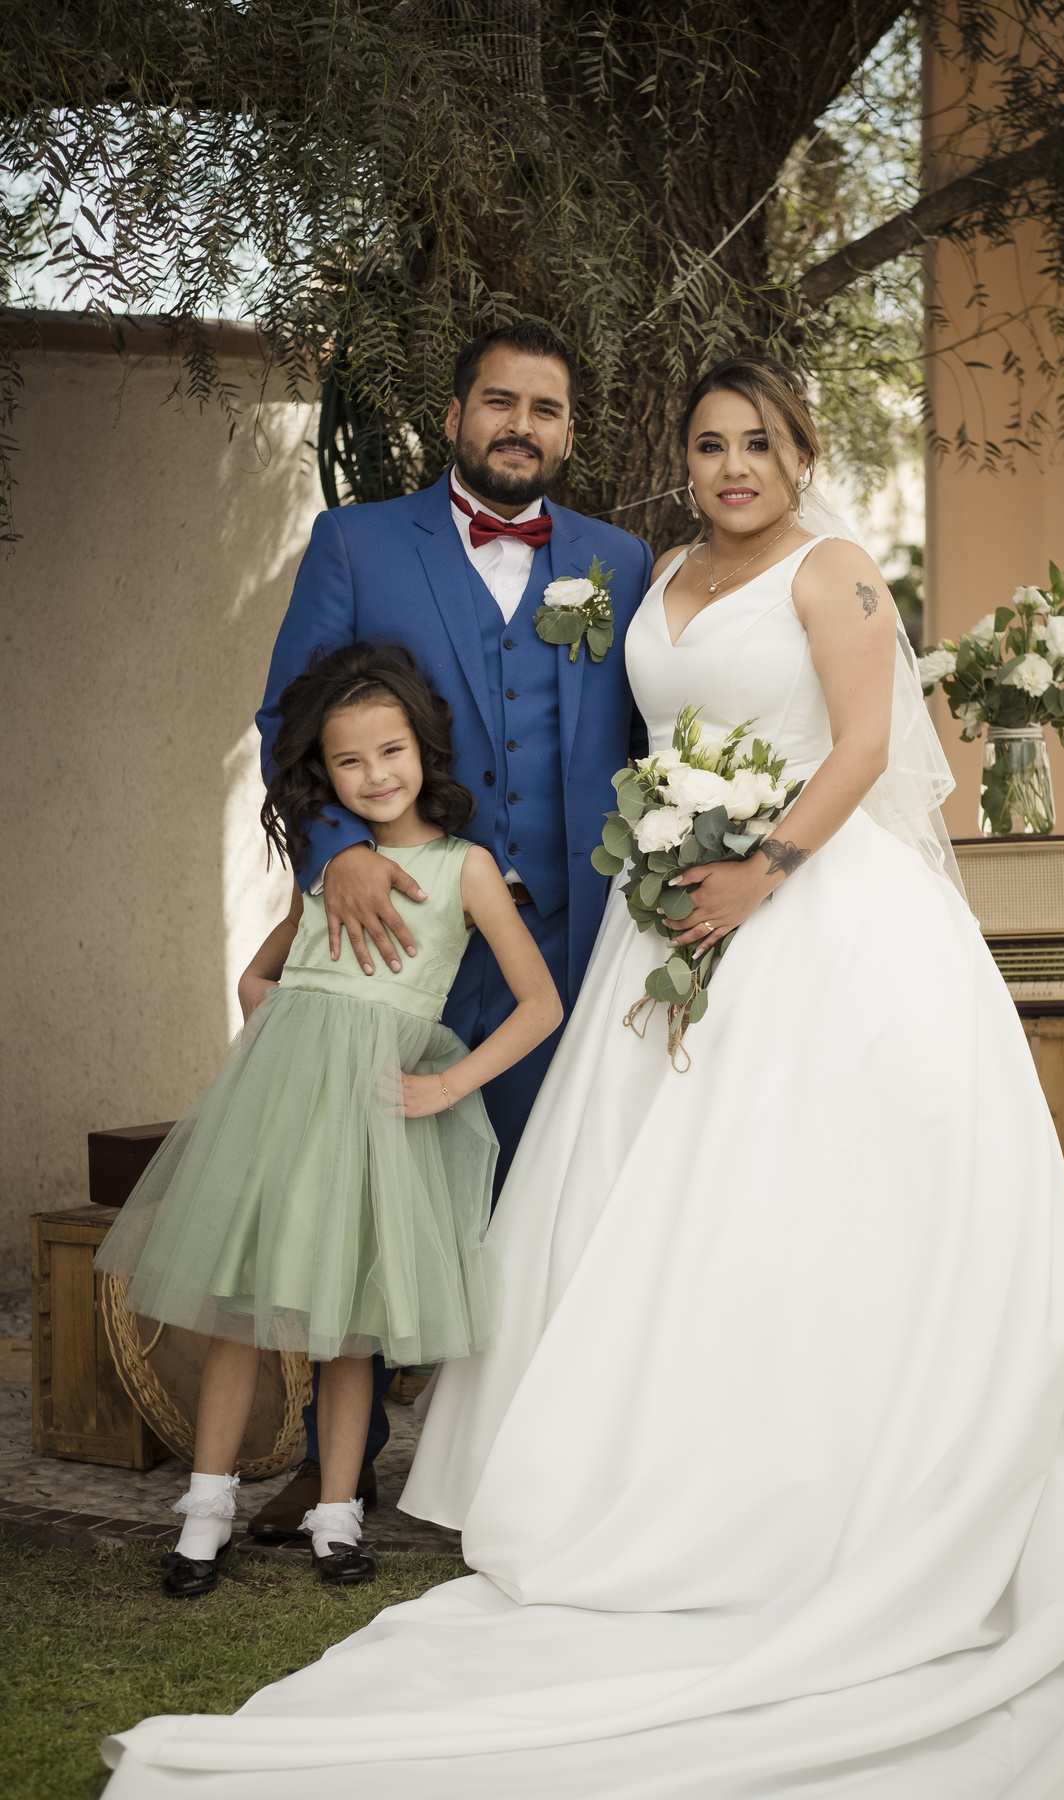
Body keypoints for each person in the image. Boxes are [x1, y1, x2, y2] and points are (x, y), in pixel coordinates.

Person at [102, 357, 1064, 1797]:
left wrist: (763, 873)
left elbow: (869, 745)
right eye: (709, 442)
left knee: (794, 1196)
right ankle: (581, 1478)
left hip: (807, 915)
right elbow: (539, 728)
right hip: (653, 917)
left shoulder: (837, 573)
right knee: (641, 1201)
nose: (733, 464)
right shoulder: (655, 568)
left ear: (803, 455)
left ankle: (796, 1488)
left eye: (759, 442)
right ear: (679, 460)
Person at [245, 319, 654, 1542]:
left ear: (570, 431)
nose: (522, 425)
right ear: (456, 416)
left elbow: (645, 734)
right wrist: (340, 858)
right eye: (500, 402)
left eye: (547, 408)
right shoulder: (357, 541)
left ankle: (532, 1471)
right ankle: (337, 1471)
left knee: (555, 1202)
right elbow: (288, 718)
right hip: (398, 939)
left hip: (566, 942)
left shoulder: (620, 560)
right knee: (360, 1203)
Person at [95, 643, 562, 1596]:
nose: (375, 775)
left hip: (375, 1122)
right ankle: (207, 1508)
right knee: (239, 1312)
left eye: (391, 751)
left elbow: (540, 1005)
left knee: (352, 1325)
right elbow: (259, 975)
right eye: (349, 761)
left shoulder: (466, 869)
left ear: (425, 749)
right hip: (283, 1112)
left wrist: (445, 1085)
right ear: (326, 772)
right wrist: (288, 1036)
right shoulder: (330, 863)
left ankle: (337, 1514)